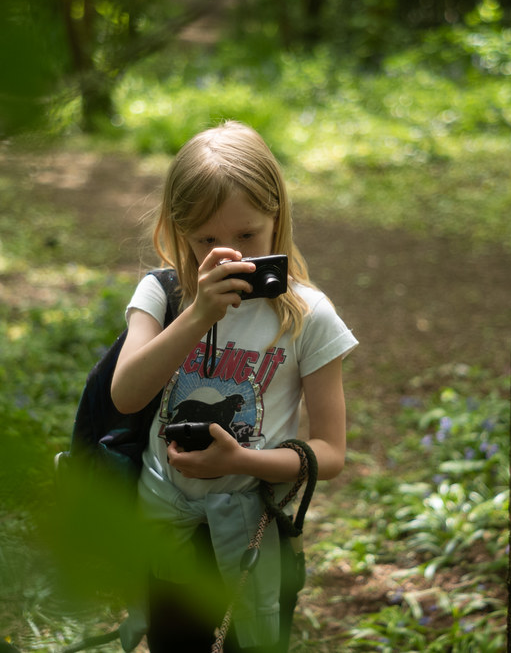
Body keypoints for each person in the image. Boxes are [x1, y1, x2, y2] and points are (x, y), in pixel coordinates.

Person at [110, 121, 357, 652]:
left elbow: (330, 453)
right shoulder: (164, 293)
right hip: (167, 528)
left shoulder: (308, 316)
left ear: (277, 217)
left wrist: (241, 462)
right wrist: (197, 314)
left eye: (246, 236)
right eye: (206, 240)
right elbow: (126, 393)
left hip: (253, 536)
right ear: (179, 229)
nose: (229, 254)